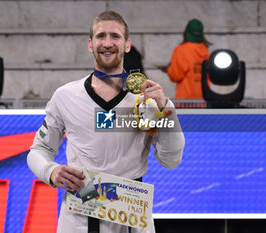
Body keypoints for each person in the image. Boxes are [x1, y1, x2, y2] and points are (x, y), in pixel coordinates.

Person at [27, 11, 185, 233]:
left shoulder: (147, 99)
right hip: (79, 216)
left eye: (115, 36)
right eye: (101, 36)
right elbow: (38, 150)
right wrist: (51, 171)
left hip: (133, 218)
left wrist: (166, 109)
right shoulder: (65, 96)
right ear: (90, 44)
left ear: (127, 44)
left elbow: (171, 160)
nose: (108, 43)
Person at [167, 19, 211, 99]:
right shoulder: (205, 50)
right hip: (204, 100)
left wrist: (168, 69)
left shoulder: (181, 50)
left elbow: (175, 76)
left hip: (186, 102)